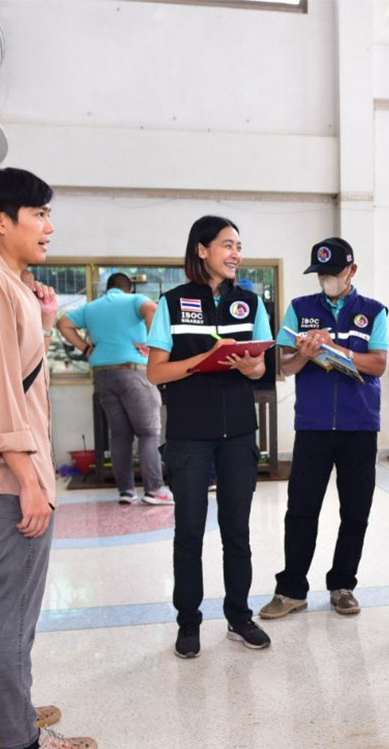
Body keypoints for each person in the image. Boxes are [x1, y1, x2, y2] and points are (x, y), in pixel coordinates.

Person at [0, 167, 96, 749]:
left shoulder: (4, 284)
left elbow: (13, 369)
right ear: (0, 221)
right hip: (10, 474)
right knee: (11, 606)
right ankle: (23, 742)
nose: (48, 226)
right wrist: (31, 481)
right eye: (38, 214)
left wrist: (43, 317)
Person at [146, 216, 273, 659]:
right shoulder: (172, 303)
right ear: (202, 250)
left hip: (238, 433)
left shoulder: (251, 303)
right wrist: (202, 360)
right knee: (190, 532)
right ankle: (188, 622)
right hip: (189, 436)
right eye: (227, 245)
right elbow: (155, 372)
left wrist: (251, 366)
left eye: (239, 246)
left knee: (237, 531)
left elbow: (261, 367)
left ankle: (239, 616)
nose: (236, 253)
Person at [260, 238, 388, 620]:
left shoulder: (373, 311)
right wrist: (305, 353)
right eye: (321, 274)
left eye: (334, 273)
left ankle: (342, 585)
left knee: (356, 511)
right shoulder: (300, 309)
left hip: (359, 425)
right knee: (301, 509)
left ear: (352, 270)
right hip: (313, 425)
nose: (327, 280)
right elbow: (284, 366)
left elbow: (378, 364)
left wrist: (340, 350)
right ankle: (291, 590)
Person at [57, 272, 172, 505]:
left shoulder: (92, 307)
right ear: (129, 288)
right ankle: (155, 490)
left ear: (107, 289)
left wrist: (86, 348)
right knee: (148, 433)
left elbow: (63, 323)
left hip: (102, 375)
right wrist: (153, 345)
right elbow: (152, 308)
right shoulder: (135, 300)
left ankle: (126, 491)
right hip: (132, 372)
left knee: (120, 435)